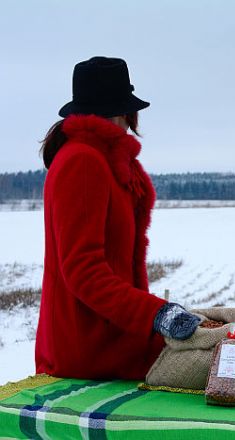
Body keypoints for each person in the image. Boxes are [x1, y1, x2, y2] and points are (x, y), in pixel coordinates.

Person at [35, 57, 201, 380]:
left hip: (114, 338)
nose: (131, 120)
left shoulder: (103, 160)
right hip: (88, 350)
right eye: (127, 110)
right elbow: (84, 271)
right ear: (119, 111)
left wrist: (153, 315)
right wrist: (155, 314)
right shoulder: (83, 163)